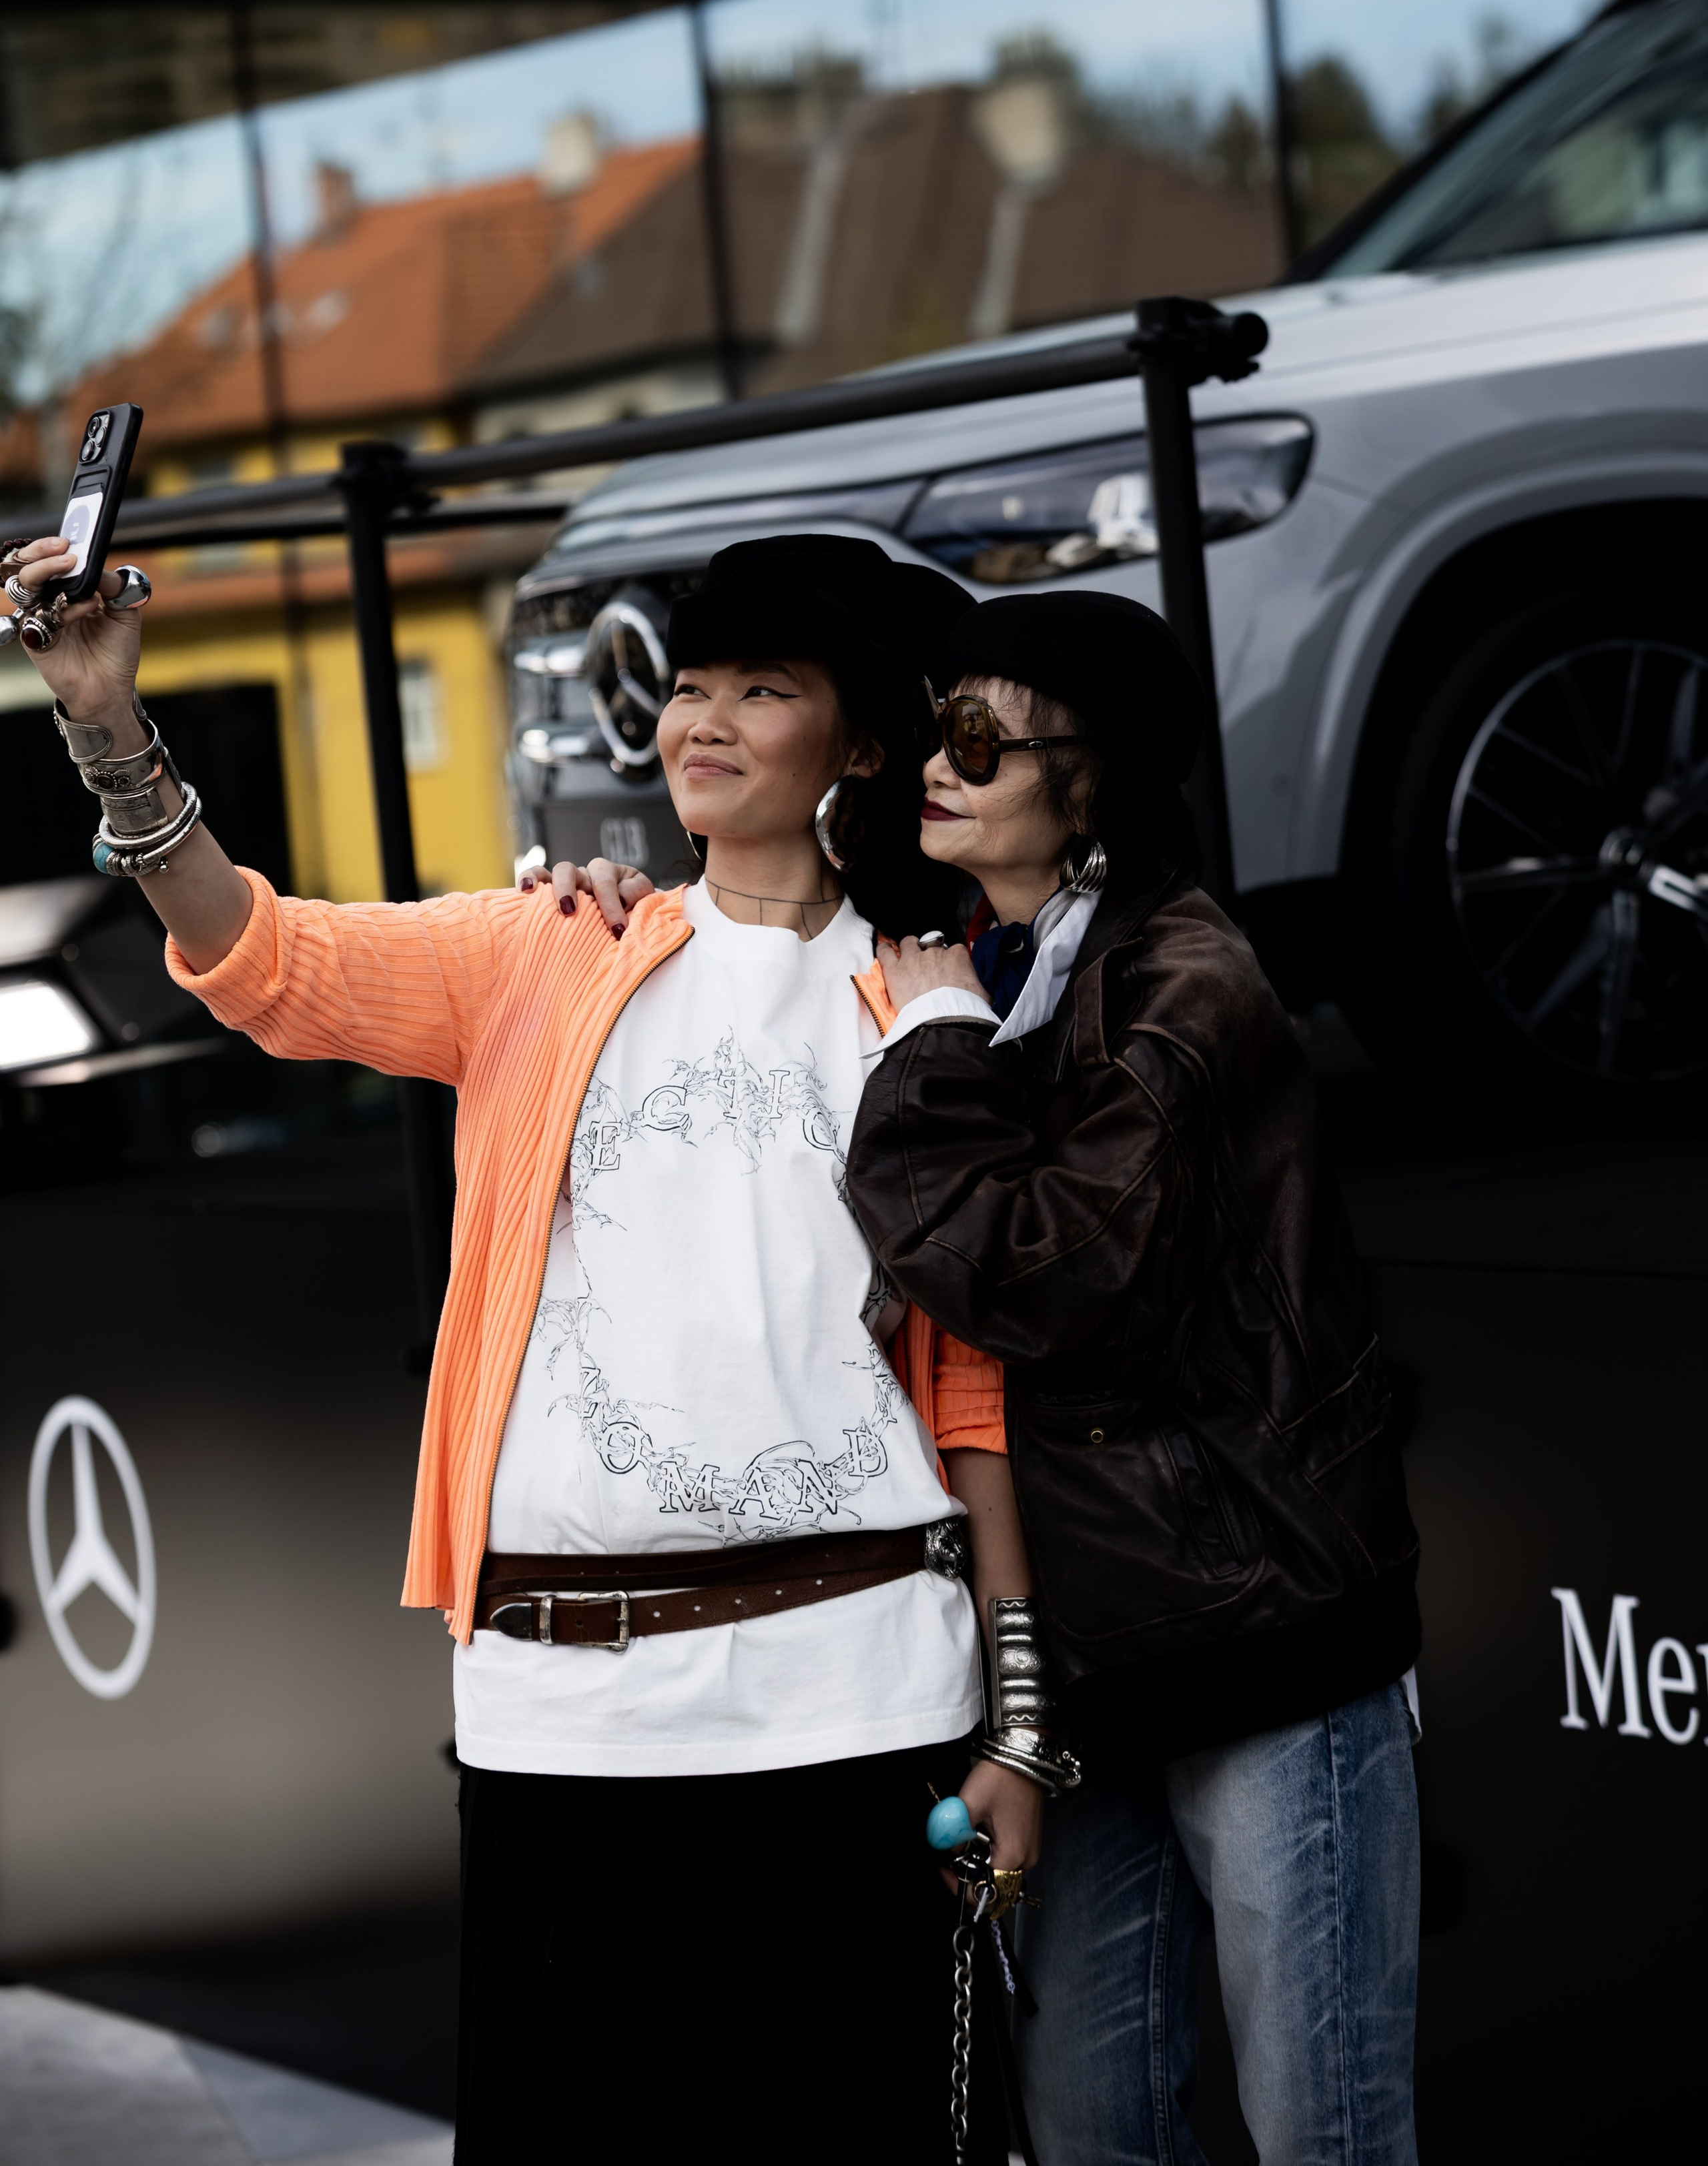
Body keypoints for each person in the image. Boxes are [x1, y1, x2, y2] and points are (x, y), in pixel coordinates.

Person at [2, 527, 1076, 2164]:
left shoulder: (922, 999)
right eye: (687, 686)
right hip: (566, 1718)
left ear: (858, 743)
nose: (698, 721)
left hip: (859, 1701)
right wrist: (101, 720)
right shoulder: (545, 950)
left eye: (760, 689)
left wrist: (1012, 1720)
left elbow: (974, 1392)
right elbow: (260, 959)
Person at [844, 589, 1423, 2166]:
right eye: (934, 730)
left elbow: (1047, 1271)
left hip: (1258, 1632)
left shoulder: (1185, 981)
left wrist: (924, 1049)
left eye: (981, 737)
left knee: (1328, 2131)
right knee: (1095, 2136)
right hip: (1076, 1672)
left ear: (1087, 779)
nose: (937, 766)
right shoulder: (965, 955)